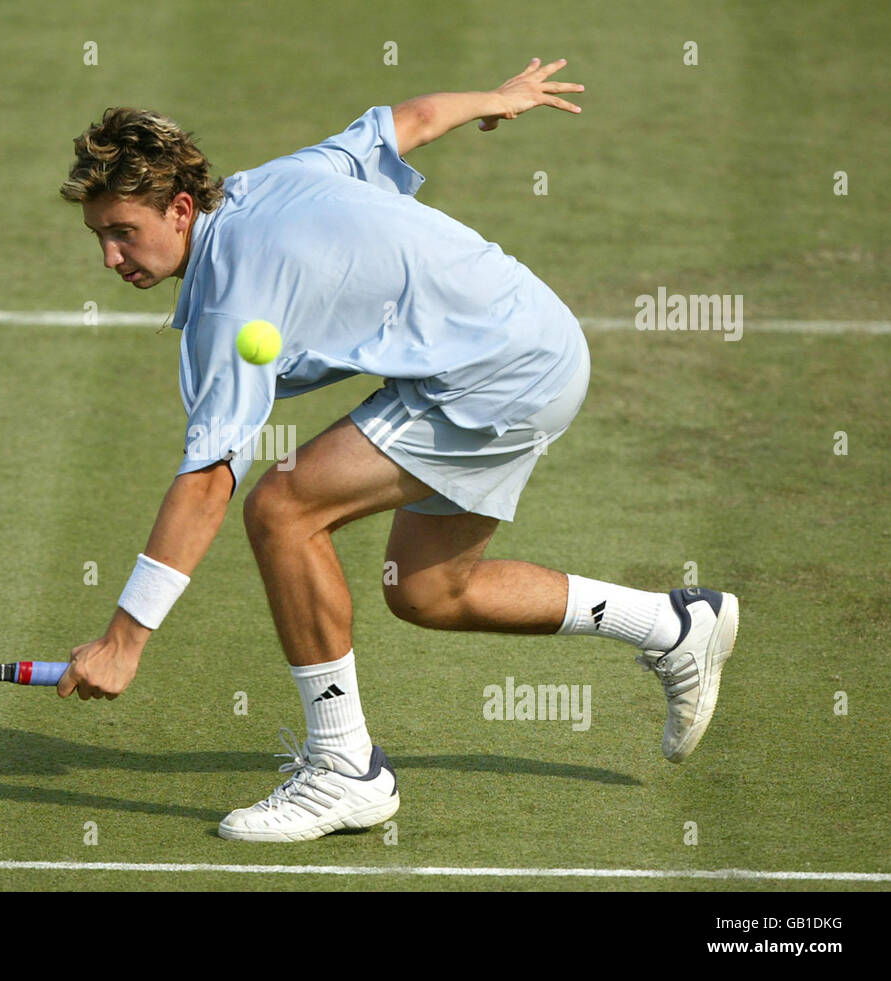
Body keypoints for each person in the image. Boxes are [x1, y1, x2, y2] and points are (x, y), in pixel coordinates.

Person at [56, 58, 739, 842]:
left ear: (180, 208)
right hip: (529, 338)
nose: (110, 258)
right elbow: (405, 122)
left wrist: (124, 638)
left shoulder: (230, 295)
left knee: (281, 509)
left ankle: (346, 769)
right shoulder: (273, 179)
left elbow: (209, 480)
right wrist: (497, 98)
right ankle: (673, 625)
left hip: (498, 370)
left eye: (123, 232)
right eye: (100, 235)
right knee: (428, 590)